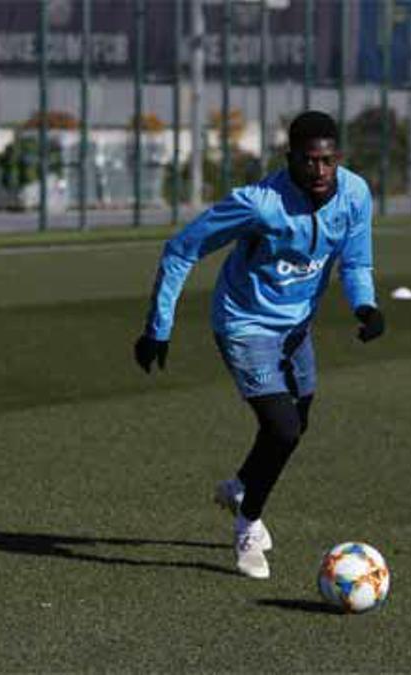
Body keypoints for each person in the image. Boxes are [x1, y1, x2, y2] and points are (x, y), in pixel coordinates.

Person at [133, 111, 384, 579]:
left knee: (297, 422)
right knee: (283, 429)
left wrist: (365, 307)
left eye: (328, 161)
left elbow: (356, 261)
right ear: (290, 159)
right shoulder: (258, 203)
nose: (320, 172)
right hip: (244, 324)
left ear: (338, 159)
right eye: (309, 162)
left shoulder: (354, 194)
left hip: (297, 328)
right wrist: (158, 327)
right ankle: (248, 526)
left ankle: (241, 487)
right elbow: (182, 249)